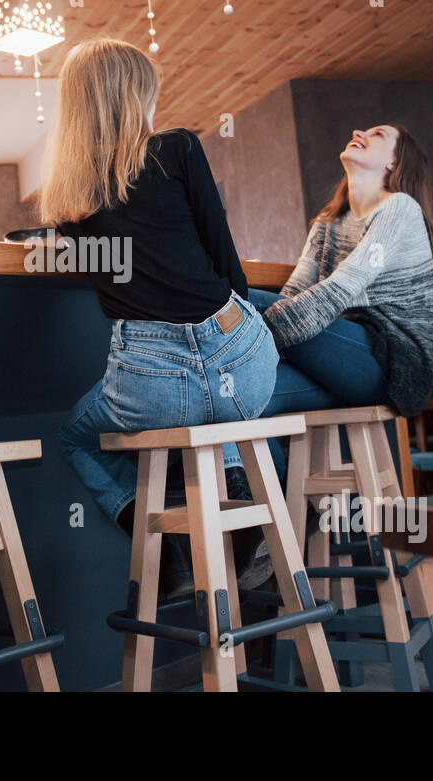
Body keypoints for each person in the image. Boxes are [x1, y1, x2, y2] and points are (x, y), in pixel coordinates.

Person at [42, 38, 278, 598]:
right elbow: (226, 263)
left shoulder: (69, 202)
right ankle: (243, 515)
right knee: (217, 403)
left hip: (150, 388)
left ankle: (165, 555)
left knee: (76, 435)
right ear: (134, 96)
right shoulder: (177, 149)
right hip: (242, 366)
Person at [220, 123, 433, 470]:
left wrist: (251, 336)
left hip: (390, 363)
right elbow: (294, 296)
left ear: (393, 162)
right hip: (337, 364)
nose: (360, 131)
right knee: (238, 395)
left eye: (378, 135)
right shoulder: (328, 222)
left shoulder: (399, 209)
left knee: (237, 301)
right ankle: (285, 514)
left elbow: (339, 290)